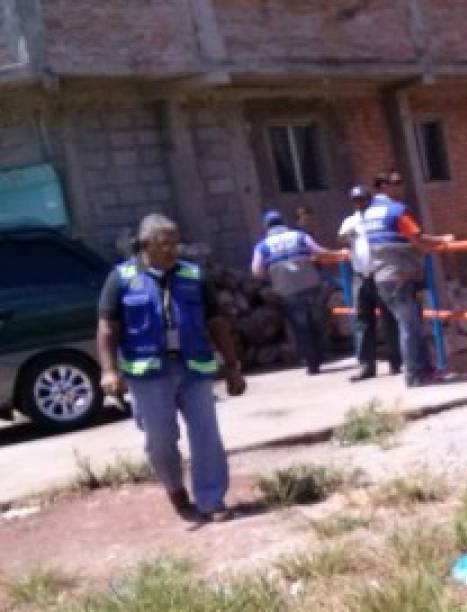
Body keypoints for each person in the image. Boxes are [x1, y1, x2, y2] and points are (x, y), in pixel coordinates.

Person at [96, 213, 246, 523]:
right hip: (148, 375)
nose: (174, 249)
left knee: (206, 435)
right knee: (160, 440)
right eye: (165, 244)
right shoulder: (121, 279)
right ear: (146, 244)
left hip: (194, 369)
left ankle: (211, 499)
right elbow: (107, 328)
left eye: (176, 242)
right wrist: (109, 370)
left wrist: (232, 366)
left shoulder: (194, 276)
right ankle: (175, 489)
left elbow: (217, 323)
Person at [362, 171, 454, 387]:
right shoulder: (397, 211)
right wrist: (443, 240)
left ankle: (425, 370)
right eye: (396, 183)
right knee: (409, 327)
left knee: (410, 325)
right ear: (383, 187)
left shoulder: (368, 214)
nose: (400, 187)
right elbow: (419, 240)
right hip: (400, 276)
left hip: (383, 277)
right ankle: (415, 375)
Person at [251, 210, 346, 375]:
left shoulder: (262, 246)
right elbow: (319, 252)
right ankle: (323, 353)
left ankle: (311, 363)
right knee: (317, 321)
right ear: (282, 222)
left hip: (287, 291)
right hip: (311, 284)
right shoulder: (299, 236)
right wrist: (339, 253)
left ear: (266, 226)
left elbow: (256, 271)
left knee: (300, 327)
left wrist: (272, 271)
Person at [339, 185, 401, 381]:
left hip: (380, 274)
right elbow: (341, 237)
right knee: (363, 323)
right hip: (361, 276)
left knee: (389, 320)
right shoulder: (351, 221)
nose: (360, 203)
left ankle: (395, 362)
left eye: (363, 199)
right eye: (356, 200)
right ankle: (366, 366)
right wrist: (347, 234)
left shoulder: (377, 217)